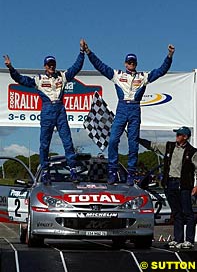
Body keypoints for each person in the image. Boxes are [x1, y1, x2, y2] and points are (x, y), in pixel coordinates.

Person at [83, 40, 175, 185]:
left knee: (133, 143)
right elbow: (100, 66)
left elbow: (161, 71)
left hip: (135, 109)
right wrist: (88, 52)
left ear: (136, 64)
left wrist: (169, 56)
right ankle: (112, 171)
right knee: (113, 140)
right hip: (122, 108)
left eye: (133, 62)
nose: (131, 64)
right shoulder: (117, 75)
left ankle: (131, 173)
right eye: (129, 62)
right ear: (125, 64)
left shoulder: (143, 77)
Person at [4, 39, 85, 184]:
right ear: (45, 66)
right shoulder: (39, 80)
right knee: (44, 143)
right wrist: (11, 68)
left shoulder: (62, 76)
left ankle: (73, 170)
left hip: (60, 109)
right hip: (47, 110)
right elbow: (21, 80)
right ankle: (46, 171)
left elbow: (76, 67)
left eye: (53, 64)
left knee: (67, 141)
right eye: (49, 65)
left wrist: (81, 52)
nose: (52, 67)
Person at [139, 126, 197, 249]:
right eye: (177, 134)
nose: (176, 137)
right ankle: (178, 239)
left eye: (179, 135)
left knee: (187, 212)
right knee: (176, 213)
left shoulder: (192, 152)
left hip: (184, 185)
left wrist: (196, 186)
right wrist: (138, 139)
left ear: (185, 137)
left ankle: (190, 240)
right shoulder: (169, 146)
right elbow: (152, 145)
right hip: (170, 183)